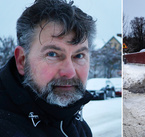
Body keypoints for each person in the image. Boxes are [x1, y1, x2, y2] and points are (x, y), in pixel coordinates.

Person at [0, 0, 96, 136]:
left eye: (79, 55)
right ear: (22, 60)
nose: (69, 72)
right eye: (52, 54)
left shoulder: (74, 122)